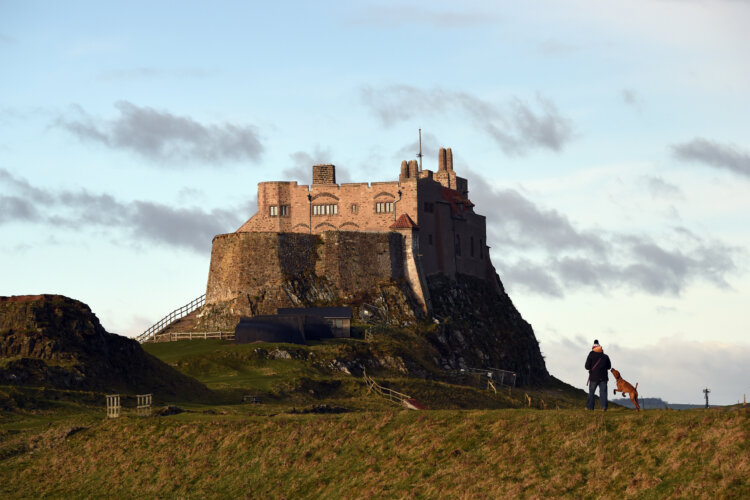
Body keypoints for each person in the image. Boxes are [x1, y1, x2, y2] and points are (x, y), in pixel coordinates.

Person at [585, 339, 611, 411]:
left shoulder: (591, 355)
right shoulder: (605, 356)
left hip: (594, 377)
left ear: (593, 348)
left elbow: (586, 367)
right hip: (604, 378)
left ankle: (590, 407)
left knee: (591, 392)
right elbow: (609, 367)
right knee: (603, 393)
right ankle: (604, 407)